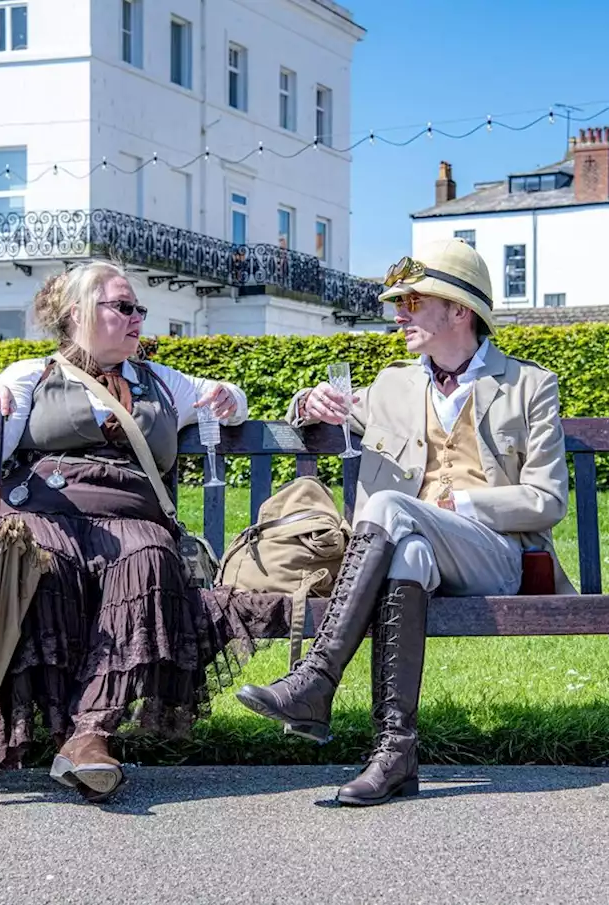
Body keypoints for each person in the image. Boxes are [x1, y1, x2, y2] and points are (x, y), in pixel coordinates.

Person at [236, 238, 573, 806]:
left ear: (459, 311)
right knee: (409, 548)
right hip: (418, 557)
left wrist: (457, 506)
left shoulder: (528, 386)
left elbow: (548, 500)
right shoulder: (394, 384)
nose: (398, 315)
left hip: (495, 555)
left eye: (412, 303)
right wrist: (308, 402)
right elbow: (324, 408)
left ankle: (317, 679)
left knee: (390, 509)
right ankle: (394, 753)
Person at [0, 261, 287, 802]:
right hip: (44, 510)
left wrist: (227, 396)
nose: (137, 320)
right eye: (123, 308)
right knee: (42, 561)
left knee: (151, 557)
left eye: (138, 310)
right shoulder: (30, 374)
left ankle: (89, 736)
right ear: (79, 314)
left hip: (131, 516)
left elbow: (229, 400)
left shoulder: (160, 381)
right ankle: (69, 736)